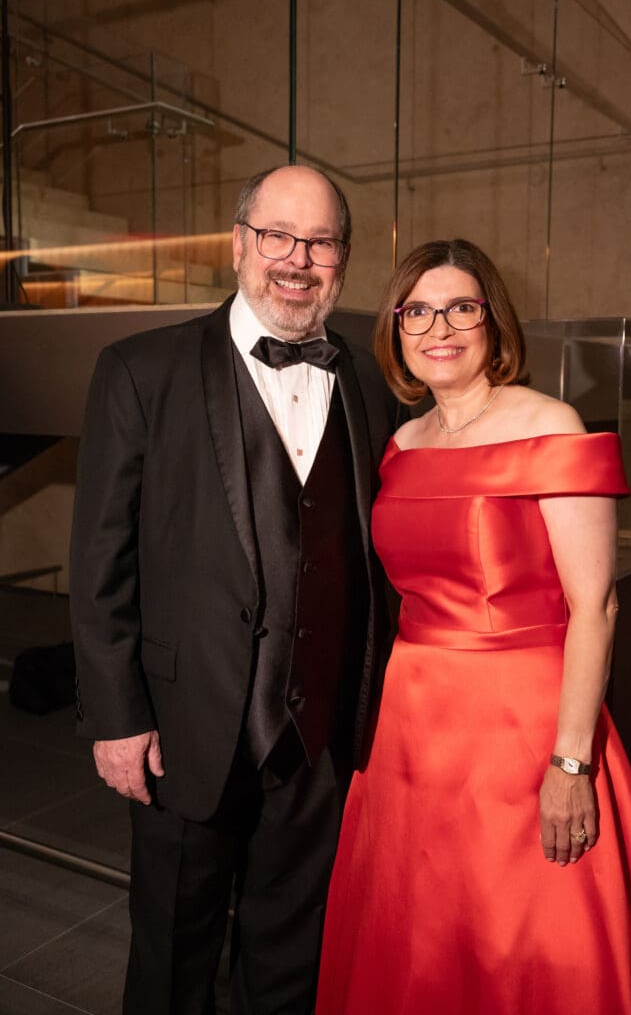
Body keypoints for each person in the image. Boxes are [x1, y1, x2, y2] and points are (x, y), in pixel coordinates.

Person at [69, 164, 404, 1015]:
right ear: (238, 244)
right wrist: (116, 715)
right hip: (183, 731)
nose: (298, 259)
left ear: (344, 256)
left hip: (320, 736)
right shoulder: (140, 370)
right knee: (174, 954)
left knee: (290, 957)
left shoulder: (370, 384)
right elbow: (100, 561)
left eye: (321, 241)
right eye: (277, 236)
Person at [316, 238, 631, 1014]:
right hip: (413, 727)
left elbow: (597, 606)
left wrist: (571, 765)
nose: (438, 326)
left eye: (461, 306)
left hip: (523, 727)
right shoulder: (402, 444)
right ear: (396, 327)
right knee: (425, 930)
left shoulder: (550, 423)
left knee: (529, 932)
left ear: (493, 322)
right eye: (417, 309)